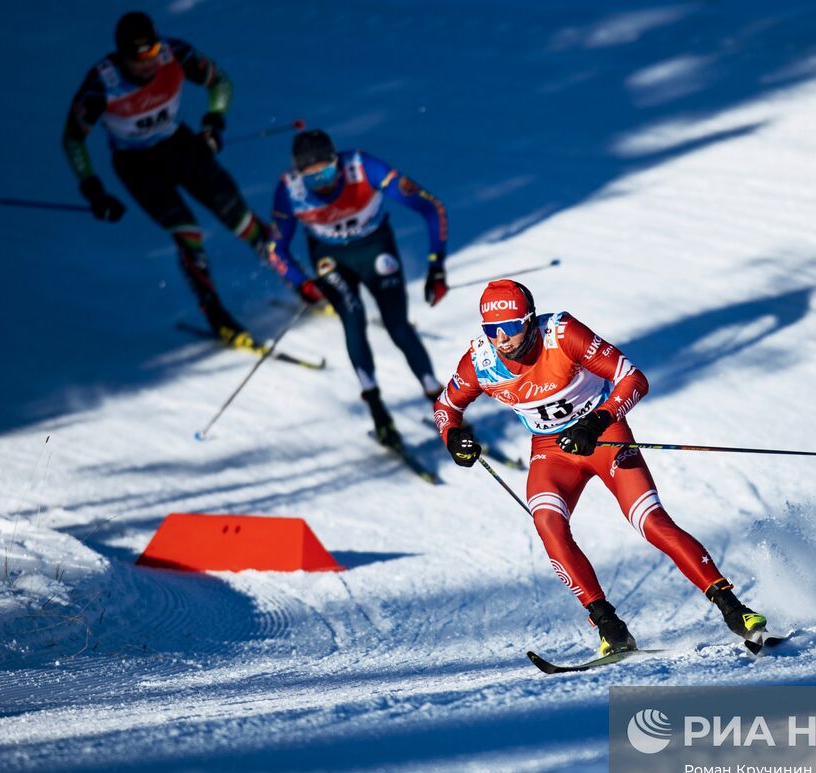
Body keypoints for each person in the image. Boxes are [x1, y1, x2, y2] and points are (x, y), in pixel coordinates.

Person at [431, 280, 773, 654]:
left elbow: (633, 378)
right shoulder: (480, 362)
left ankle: (733, 608)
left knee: (650, 521)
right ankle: (609, 625)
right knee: (547, 522)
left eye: (511, 327)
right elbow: (446, 408)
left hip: (603, 436)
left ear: (530, 321)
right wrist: (452, 439)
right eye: (491, 330)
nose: (502, 339)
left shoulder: (562, 334)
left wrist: (596, 422)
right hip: (552, 450)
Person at [63, 11, 268, 347]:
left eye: (153, 52)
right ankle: (218, 318)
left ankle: (299, 280)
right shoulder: (102, 84)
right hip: (135, 165)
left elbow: (221, 81)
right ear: (122, 55)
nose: (149, 65)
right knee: (187, 232)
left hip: (179, 145)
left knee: (238, 216)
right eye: (138, 59)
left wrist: (214, 122)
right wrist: (94, 191)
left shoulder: (176, 55)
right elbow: (73, 139)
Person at [269, 129, 450, 447]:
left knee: (398, 326)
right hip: (330, 259)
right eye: (311, 179)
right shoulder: (290, 190)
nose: (321, 184)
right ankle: (378, 410)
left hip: (374, 247)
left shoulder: (362, 167)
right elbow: (276, 248)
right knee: (352, 316)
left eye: (325, 173)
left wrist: (436, 268)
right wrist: (301, 284)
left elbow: (431, 207)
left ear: (337, 162)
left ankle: (438, 400)